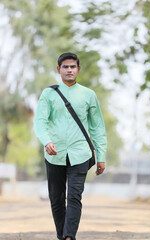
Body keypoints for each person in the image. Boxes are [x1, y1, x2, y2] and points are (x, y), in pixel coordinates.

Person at [34, 52, 107, 240]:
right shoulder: (48, 94)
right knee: (57, 199)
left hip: (80, 154)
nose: (69, 70)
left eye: (72, 67)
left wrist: (102, 156)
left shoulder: (88, 95)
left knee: (74, 197)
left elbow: (97, 127)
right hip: (54, 154)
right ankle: (62, 235)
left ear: (78, 69)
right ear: (59, 70)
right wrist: (46, 141)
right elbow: (40, 122)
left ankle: (69, 237)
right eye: (65, 67)